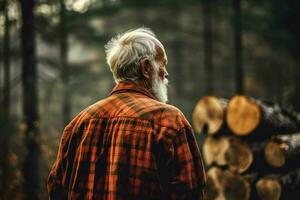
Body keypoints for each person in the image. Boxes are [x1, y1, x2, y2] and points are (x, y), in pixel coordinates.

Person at [47, 28, 206, 200]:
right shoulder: (168, 121)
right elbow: (190, 193)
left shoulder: (79, 123)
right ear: (146, 68)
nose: (166, 73)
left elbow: (56, 190)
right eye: (163, 64)